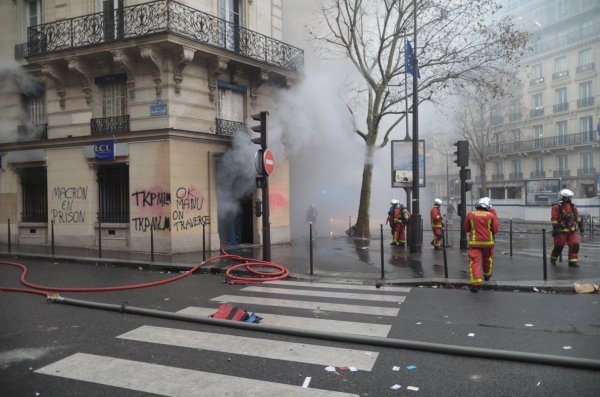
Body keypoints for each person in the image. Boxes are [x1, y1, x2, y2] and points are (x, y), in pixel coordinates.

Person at [464, 197, 499, 292]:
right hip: (488, 243)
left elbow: (466, 228)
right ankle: (487, 275)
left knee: (474, 262)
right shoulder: (491, 215)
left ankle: (476, 284)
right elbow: (495, 230)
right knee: (487, 259)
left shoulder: (470, 214)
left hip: (475, 244)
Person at [550, 189, 583, 267]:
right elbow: (554, 219)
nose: (568, 199)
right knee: (559, 246)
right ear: (562, 197)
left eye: (569, 197)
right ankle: (553, 258)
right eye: (567, 197)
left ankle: (572, 262)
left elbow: (577, 217)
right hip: (561, 230)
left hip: (572, 230)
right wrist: (556, 228)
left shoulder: (572, 206)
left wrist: (581, 226)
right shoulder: (556, 207)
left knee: (575, 245)